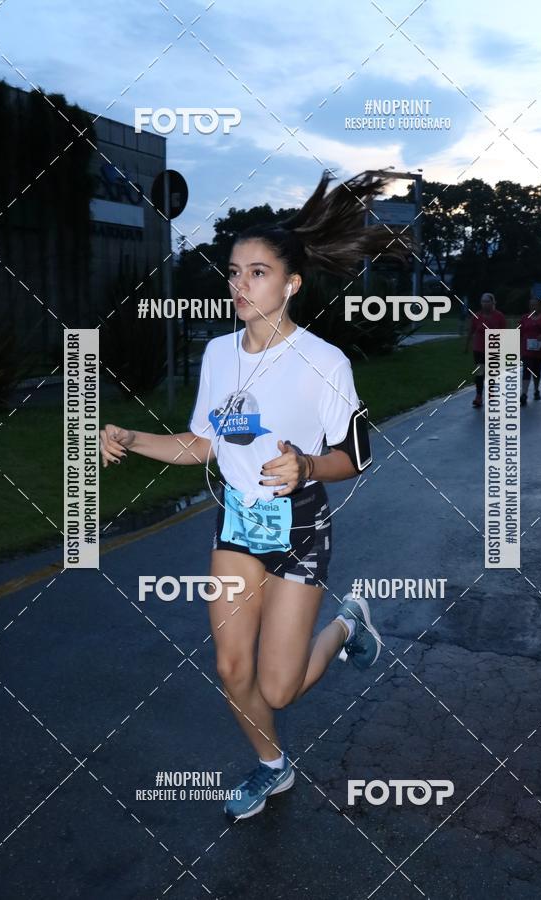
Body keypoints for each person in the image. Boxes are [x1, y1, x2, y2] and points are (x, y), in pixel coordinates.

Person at [99, 168, 409, 822]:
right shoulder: (218, 355)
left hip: (299, 527)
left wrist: (306, 468)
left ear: (291, 283)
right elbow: (203, 444)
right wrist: (133, 437)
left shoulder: (324, 362)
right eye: (234, 271)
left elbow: (356, 455)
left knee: (280, 685)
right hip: (238, 526)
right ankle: (273, 768)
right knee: (233, 667)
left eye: (256, 272)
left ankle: (350, 620)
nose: (238, 283)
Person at [464, 292, 507, 407]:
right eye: (483, 301)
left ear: (493, 302)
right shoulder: (477, 316)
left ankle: (491, 391)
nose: (485, 304)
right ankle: (478, 396)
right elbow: (471, 331)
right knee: (480, 372)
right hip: (479, 348)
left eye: (487, 301)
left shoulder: (499, 316)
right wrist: (467, 345)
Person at [519, 297, 541, 404]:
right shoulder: (525, 317)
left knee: (536, 371)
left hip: (540, 350)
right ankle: (524, 394)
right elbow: (519, 333)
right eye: (531, 305)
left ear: (540, 306)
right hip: (526, 350)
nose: (533, 307)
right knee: (526, 369)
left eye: (535, 305)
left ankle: (536, 390)